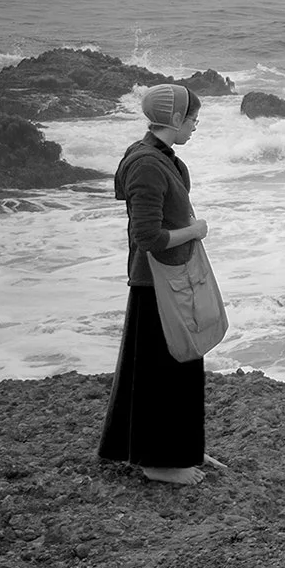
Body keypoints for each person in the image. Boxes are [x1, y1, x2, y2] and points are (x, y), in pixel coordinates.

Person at [99, 84, 215, 487]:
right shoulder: (148, 164)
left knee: (159, 367)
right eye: (193, 119)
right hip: (156, 281)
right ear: (174, 119)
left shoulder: (161, 157)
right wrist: (195, 231)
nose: (196, 127)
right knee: (166, 370)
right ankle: (160, 462)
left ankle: (171, 449)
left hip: (165, 278)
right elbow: (148, 236)